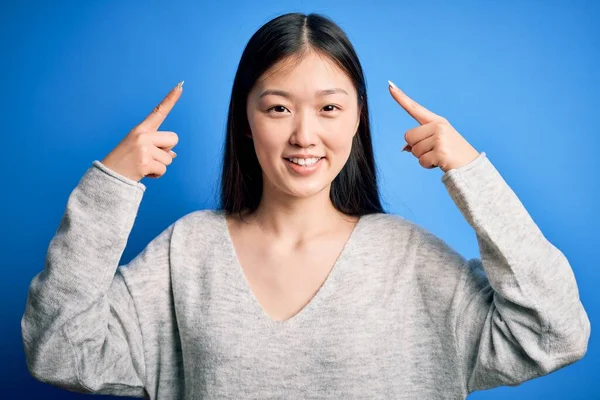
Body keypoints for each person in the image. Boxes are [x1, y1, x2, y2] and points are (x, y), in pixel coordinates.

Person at [21, 12, 590, 399]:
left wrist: (471, 173)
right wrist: (111, 184)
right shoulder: (188, 252)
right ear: (246, 121)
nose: (304, 136)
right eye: (277, 109)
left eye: (329, 108)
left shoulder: (409, 261)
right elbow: (59, 349)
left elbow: (554, 331)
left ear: (358, 120)